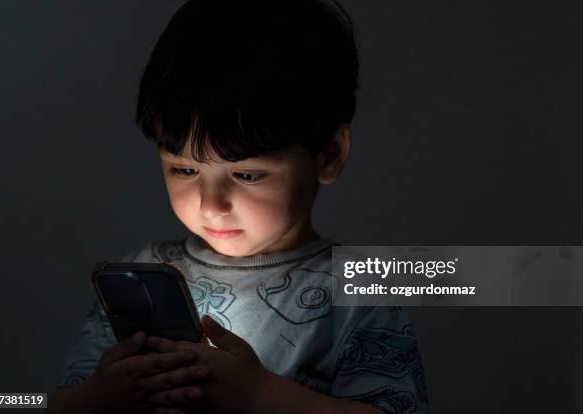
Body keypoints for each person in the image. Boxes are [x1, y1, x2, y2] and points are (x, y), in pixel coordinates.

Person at [47, 0, 430, 413]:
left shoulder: (357, 293)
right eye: (184, 170)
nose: (211, 205)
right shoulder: (140, 276)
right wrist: (101, 397)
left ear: (329, 155)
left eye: (247, 175)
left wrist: (259, 395)